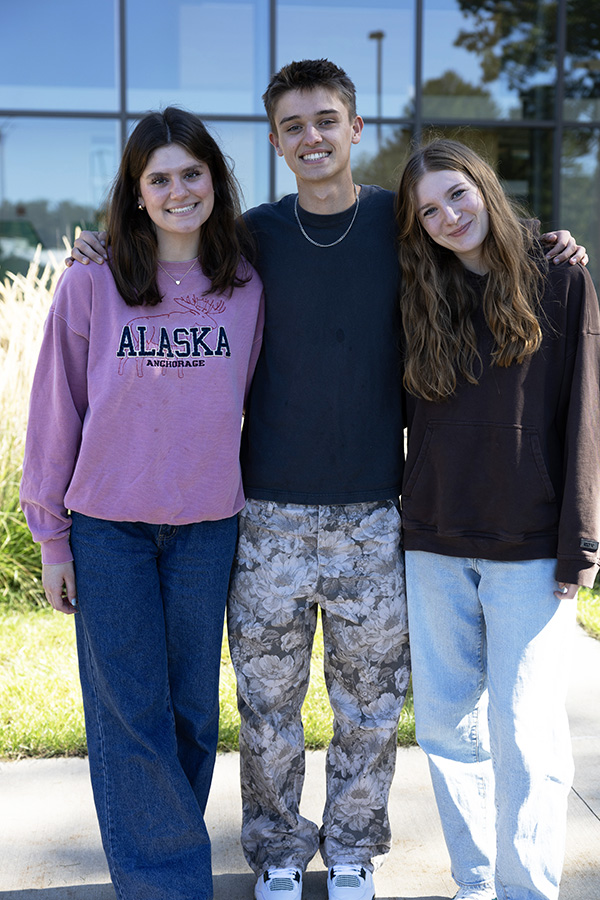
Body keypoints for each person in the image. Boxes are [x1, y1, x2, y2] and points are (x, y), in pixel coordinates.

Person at [66, 60, 587, 900]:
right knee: (267, 708)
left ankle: (350, 853)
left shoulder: (398, 224)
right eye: (294, 126)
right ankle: (275, 853)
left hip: (378, 515)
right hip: (266, 514)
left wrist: (548, 237)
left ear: (354, 128)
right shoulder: (253, 238)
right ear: (275, 142)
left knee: (370, 707)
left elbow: (473, 229)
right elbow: (164, 240)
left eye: (327, 120)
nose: (312, 136)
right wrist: (96, 239)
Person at [20, 106, 264, 900]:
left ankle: (164, 857)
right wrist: (52, 539)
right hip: (108, 527)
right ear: (135, 192)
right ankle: (169, 885)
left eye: (191, 172)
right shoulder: (92, 281)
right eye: (158, 178)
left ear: (213, 181)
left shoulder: (247, 284)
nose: (177, 189)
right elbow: (57, 410)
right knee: (130, 713)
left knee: (192, 711)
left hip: (206, 527)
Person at [395, 138, 600, 900]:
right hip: (435, 541)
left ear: (485, 186)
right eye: (428, 210)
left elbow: (585, 416)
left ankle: (526, 890)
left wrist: (581, 540)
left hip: (528, 546)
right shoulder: (418, 293)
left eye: (457, 194)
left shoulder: (561, 279)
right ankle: (476, 884)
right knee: (448, 731)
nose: (449, 216)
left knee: (527, 736)